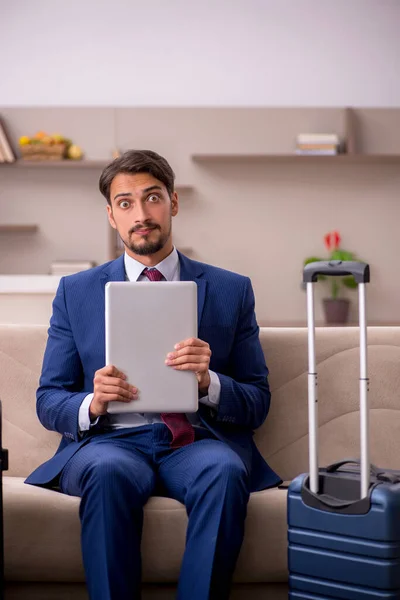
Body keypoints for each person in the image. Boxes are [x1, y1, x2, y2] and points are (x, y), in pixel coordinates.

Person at [25, 150, 282, 600]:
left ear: (174, 202)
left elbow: (258, 400)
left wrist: (209, 382)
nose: (141, 215)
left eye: (152, 198)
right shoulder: (76, 292)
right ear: (111, 216)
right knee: (107, 472)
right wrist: (93, 401)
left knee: (224, 470)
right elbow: (49, 398)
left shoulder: (230, 289)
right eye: (125, 203)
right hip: (109, 443)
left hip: (196, 444)